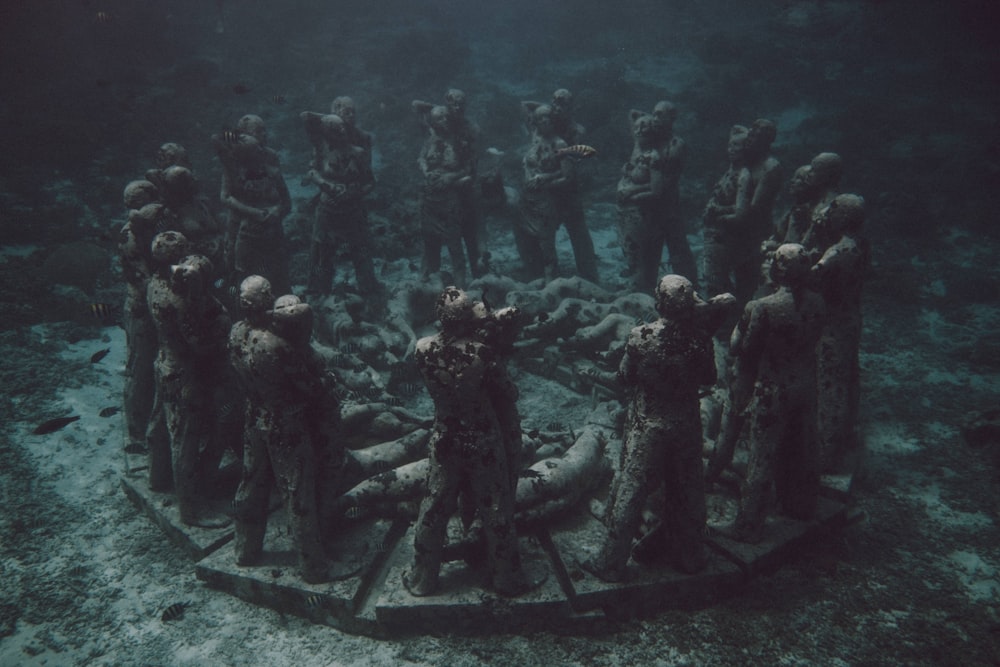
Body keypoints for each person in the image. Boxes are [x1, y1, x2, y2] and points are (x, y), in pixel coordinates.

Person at [584, 275, 734, 581]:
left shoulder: (641, 336)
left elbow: (625, 377)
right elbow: (708, 378)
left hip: (649, 425)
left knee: (632, 489)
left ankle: (610, 563)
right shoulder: (700, 339)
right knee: (690, 489)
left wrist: (595, 373)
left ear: (659, 303)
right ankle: (692, 557)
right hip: (687, 425)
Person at [404, 287, 531, 597]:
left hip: (445, 435)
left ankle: (423, 577)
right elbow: (508, 392)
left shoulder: (422, 349)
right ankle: (506, 577)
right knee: (496, 506)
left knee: (435, 504)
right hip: (482, 436)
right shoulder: (481, 353)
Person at [229, 283, 342, 583]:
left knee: (251, 482)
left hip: (254, 415)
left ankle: (245, 549)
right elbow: (309, 388)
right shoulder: (277, 345)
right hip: (285, 423)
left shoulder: (236, 331)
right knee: (297, 491)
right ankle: (313, 566)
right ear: (264, 302)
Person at [729, 244, 825, 543]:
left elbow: (744, 350)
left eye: (775, 260)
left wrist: (737, 329)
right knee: (803, 448)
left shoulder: (764, 307)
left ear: (779, 269)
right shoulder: (818, 302)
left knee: (762, 455)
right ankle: (802, 505)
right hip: (806, 385)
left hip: (774, 389)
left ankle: (749, 525)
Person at [147, 236, 232, 527]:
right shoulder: (180, 299)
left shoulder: (154, 282)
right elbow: (200, 341)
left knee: (160, 425)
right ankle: (192, 510)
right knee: (186, 439)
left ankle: (157, 477)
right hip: (186, 375)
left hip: (165, 363)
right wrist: (219, 315)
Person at [810, 194, 868, 472]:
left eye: (834, 208)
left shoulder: (837, 251)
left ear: (844, 217)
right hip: (852, 318)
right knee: (849, 379)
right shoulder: (861, 245)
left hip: (832, 324)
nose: (828, 211)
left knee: (830, 386)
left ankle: (825, 456)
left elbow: (811, 277)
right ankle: (846, 437)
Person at [301, 100, 380, 300]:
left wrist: (354, 193)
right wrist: (326, 186)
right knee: (321, 252)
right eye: (346, 113)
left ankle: (369, 292)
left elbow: (370, 181)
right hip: (328, 209)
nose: (349, 120)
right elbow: (312, 170)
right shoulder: (322, 147)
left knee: (360, 250)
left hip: (353, 208)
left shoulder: (360, 147)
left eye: (353, 113)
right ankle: (318, 291)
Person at [703, 119, 782, 304]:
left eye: (754, 136)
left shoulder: (770, 167)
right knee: (731, 281)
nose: (750, 139)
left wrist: (719, 214)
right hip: (737, 233)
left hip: (755, 234)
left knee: (749, 284)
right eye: (750, 134)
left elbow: (753, 210)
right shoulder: (748, 163)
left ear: (766, 140)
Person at [519, 104, 598, 282]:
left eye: (548, 118)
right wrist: (551, 107)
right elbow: (525, 105)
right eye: (540, 119)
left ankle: (553, 277)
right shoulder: (535, 136)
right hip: (532, 199)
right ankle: (536, 273)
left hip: (550, 199)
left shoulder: (560, 143)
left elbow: (568, 176)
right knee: (533, 237)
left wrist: (544, 180)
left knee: (548, 240)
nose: (544, 121)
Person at [214, 114, 292, 295]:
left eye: (265, 130)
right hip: (242, 228)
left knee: (278, 273)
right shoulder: (232, 160)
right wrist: (254, 213)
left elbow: (283, 194)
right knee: (241, 277)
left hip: (271, 226)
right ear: (243, 135)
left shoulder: (270, 156)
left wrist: (277, 211)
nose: (264, 135)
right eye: (259, 131)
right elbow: (225, 197)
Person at [119, 191, 166, 454]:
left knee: (147, 366)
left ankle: (146, 420)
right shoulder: (129, 236)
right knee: (140, 368)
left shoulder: (146, 231)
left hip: (150, 307)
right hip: (140, 310)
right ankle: (135, 430)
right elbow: (144, 278)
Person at [417, 105, 473, 286]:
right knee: (430, 245)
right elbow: (421, 159)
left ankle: (460, 285)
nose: (445, 121)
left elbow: (469, 168)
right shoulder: (429, 141)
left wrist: (451, 176)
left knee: (454, 244)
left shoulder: (459, 142)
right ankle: (430, 285)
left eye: (447, 117)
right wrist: (426, 172)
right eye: (440, 119)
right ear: (433, 122)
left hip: (450, 200)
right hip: (429, 200)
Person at [650, 101, 698, 286]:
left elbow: (665, 183)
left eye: (660, 115)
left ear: (672, 118)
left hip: (669, 207)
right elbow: (633, 114)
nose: (655, 119)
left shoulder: (676, 145)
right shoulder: (650, 141)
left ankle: (691, 290)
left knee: (679, 253)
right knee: (651, 254)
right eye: (653, 114)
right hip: (652, 208)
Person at [616, 111, 664, 290]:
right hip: (624, 212)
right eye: (637, 127)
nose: (639, 130)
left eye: (645, 127)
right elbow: (632, 114)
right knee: (629, 251)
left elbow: (656, 190)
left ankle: (640, 291)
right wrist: (646, 119)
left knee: (638, 254)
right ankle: (638, 287)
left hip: (640, 214)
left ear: (653, 131)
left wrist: (632, 193)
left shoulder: (653, 157)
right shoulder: (637, 148)